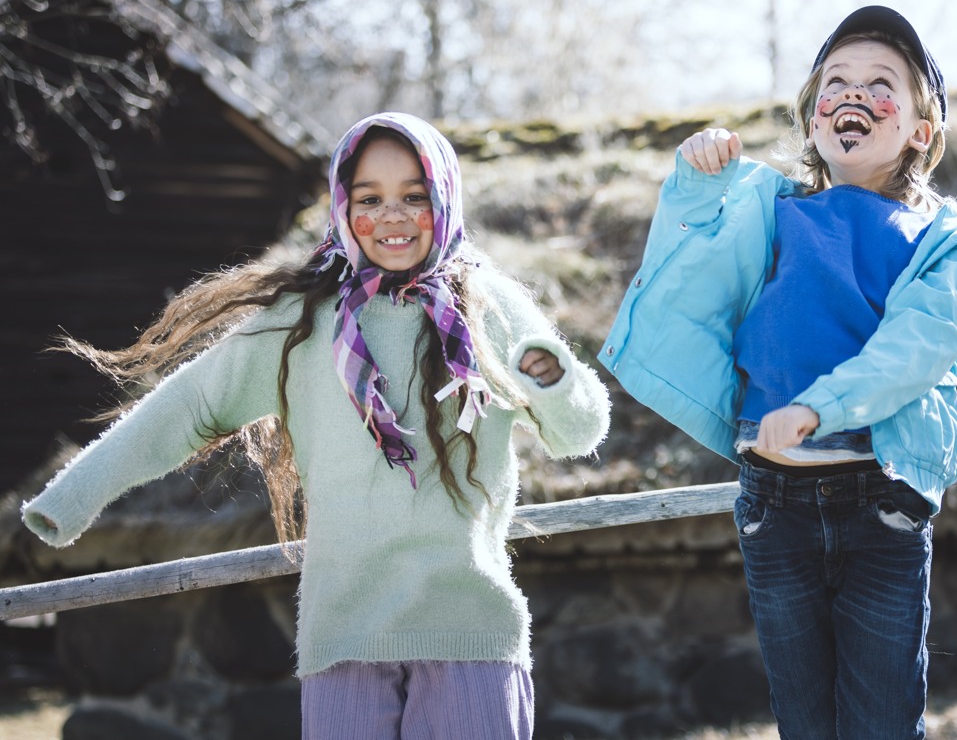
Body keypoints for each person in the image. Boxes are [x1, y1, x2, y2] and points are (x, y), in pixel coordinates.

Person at [22, 112, 611, 739]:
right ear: (341, 206)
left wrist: (551, 380)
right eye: (370, 199)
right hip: (344, 637)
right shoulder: (302, 321)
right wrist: (72, 496)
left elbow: (578, 434)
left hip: (471, 631)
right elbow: (188, 406)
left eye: (415, 196)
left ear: (445, 199)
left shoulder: (489, 308)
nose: (392, 216)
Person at [598, 6, 957, 739]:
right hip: (774, 503)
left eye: (880, 83)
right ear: (813, 118)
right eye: (837, 81)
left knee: (881, 722)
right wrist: (698, 182)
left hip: (881, 498)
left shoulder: (949, 242)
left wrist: (820, 408)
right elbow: (687, 263)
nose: (853, 95)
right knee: (804, 722)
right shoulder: (768, 208)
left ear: (920, 132)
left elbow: (915, 348)